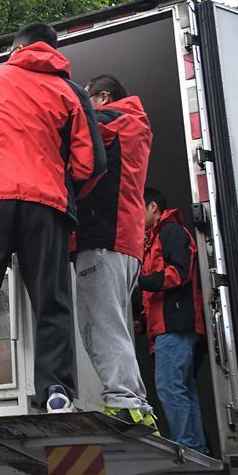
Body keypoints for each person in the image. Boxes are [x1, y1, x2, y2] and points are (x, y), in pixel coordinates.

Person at [0, 22, 105, 419]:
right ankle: (56, 393)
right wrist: (64, 189)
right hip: (46, 204)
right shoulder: (71, 91)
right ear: (53, 51)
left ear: (17, 48)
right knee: (51, 301)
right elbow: (91, 163)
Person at [75, 75, 156, 430]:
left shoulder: (112, 120)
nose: (84, 106)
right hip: (124, 242)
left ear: (103, 97)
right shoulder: (133, 123)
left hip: (104, 238)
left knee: (100, 326)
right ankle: (137, 405)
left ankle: (124, 401)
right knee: (115, 326)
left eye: (87, 98)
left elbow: (71, 133)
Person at [138, 187, 210, 453]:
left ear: (152, 207)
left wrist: (140, 281)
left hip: (175, 325)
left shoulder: (171, 232)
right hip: (167, 326)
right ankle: (196, 447)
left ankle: (186, 445)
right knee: (182, 388)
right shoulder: (153, 239)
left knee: (169, 386)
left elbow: (178, 273)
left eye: (137, 208)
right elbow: (154, 298)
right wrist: (142, 322)